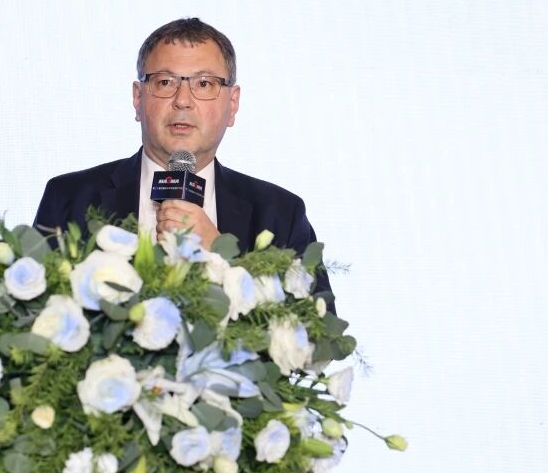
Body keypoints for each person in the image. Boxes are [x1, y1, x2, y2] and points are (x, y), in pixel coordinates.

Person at [33, 17, 332, 300]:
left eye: (204, 84)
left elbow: (311, 329)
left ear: (233, 104)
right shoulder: (68, 199)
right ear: (138, 98)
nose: (183, 101)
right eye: (165, 82)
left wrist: (221, 255)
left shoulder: (281, 214)